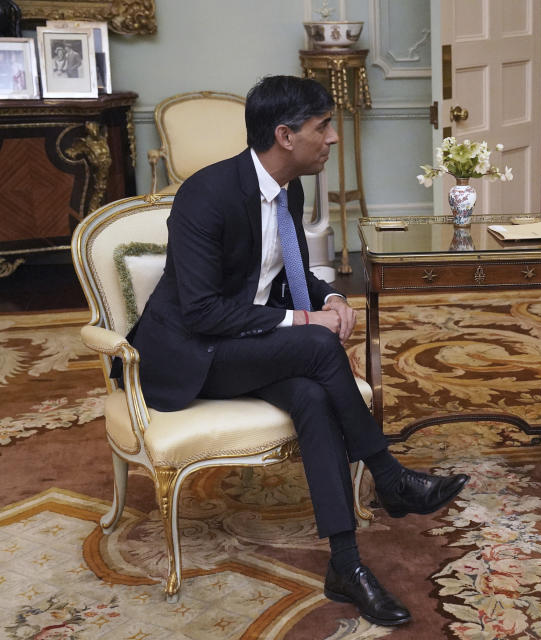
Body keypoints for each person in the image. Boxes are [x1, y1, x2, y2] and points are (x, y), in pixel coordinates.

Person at [122, 75, 468, 626]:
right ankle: (389, 474)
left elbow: (285, 269)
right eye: (322, 126)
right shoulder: (205, 196)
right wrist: (308, 318)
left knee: (311, 393)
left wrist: (329, 294)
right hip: (191, 354)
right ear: (285, 135)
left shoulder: (291, 187)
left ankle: (346, 565)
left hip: (247, 347)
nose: (331, 138)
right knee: (312, 342)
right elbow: (202, 311)